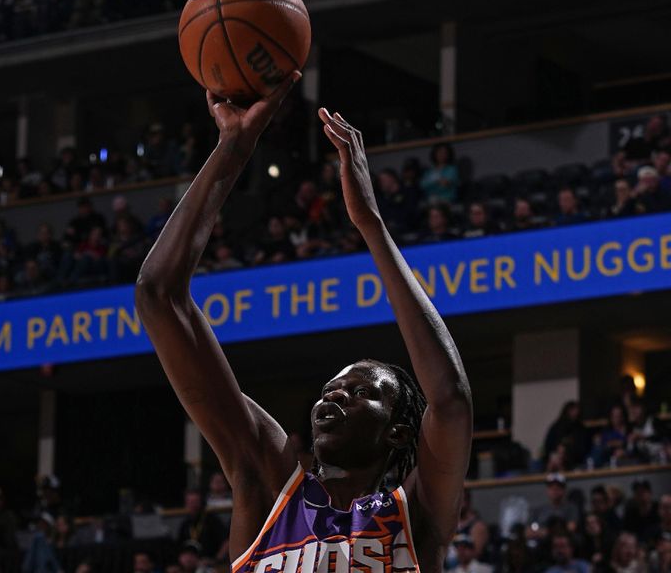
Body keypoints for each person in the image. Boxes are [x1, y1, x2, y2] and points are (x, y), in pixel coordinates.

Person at [135, 73, 473, 573]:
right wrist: (233, 146)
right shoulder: (267, 484)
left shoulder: (415, 516)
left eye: (361, 392)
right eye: (332, 388)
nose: (334, 395)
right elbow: (158, 296)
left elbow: (449, 398)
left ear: (400, 433)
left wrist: (370, 225)